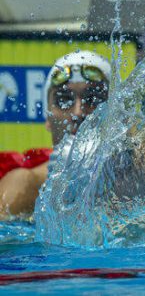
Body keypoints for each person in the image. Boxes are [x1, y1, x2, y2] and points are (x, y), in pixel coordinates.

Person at [0, 51, 111, 219]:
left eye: (93, 99)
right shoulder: (25, 186)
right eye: (64, 100)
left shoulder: (139, 180)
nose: (78, 112)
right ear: (47, 118)